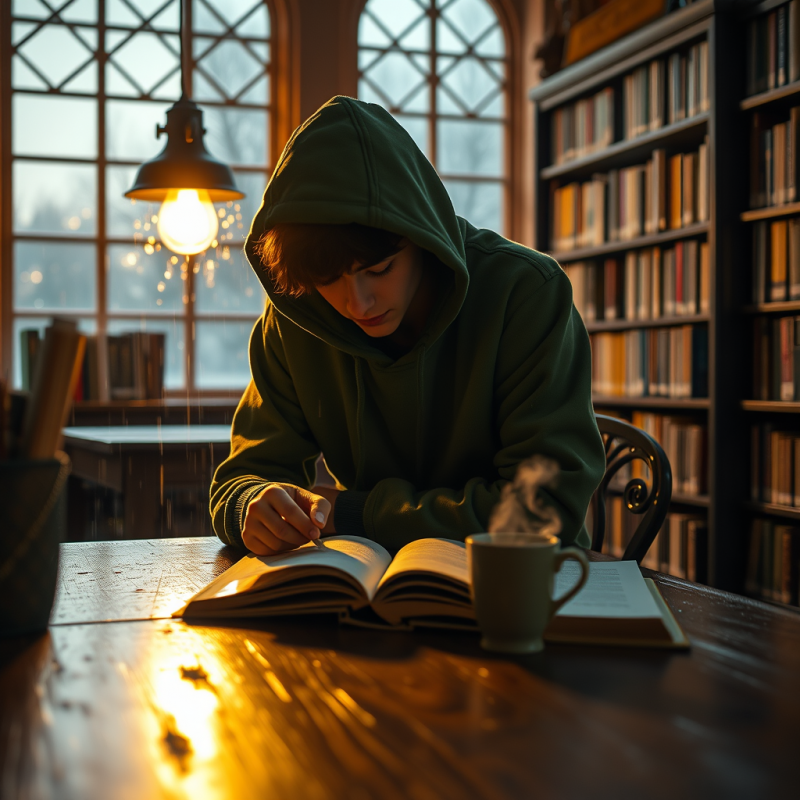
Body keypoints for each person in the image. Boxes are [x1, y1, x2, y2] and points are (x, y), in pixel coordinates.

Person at [210, 96, 605, 557]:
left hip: (525, 590)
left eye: (379, 269)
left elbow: (542, 512)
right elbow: (240, 480)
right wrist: (249, 507)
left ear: (421, 238)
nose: (357, 303)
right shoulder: (296, 320)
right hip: (365, 593)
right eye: (326, 280)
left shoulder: (527, 294)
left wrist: (355, 514)